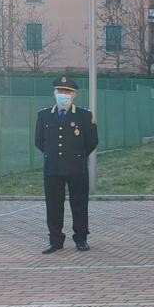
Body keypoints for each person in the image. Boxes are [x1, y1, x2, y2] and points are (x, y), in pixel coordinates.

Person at [35, 76, 99, 254]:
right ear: (54, 93)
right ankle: (55, 241)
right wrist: (53, 155)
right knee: (53, 205)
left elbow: (92, 141)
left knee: (79, 204)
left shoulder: (84, 115)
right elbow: (39, 141)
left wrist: (77, 156)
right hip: (53, 167)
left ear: (74, 95)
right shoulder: (44, 115)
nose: (63, 94)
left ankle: (81, 239)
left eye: (67, 92)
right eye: (60, 91)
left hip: (76, 167)